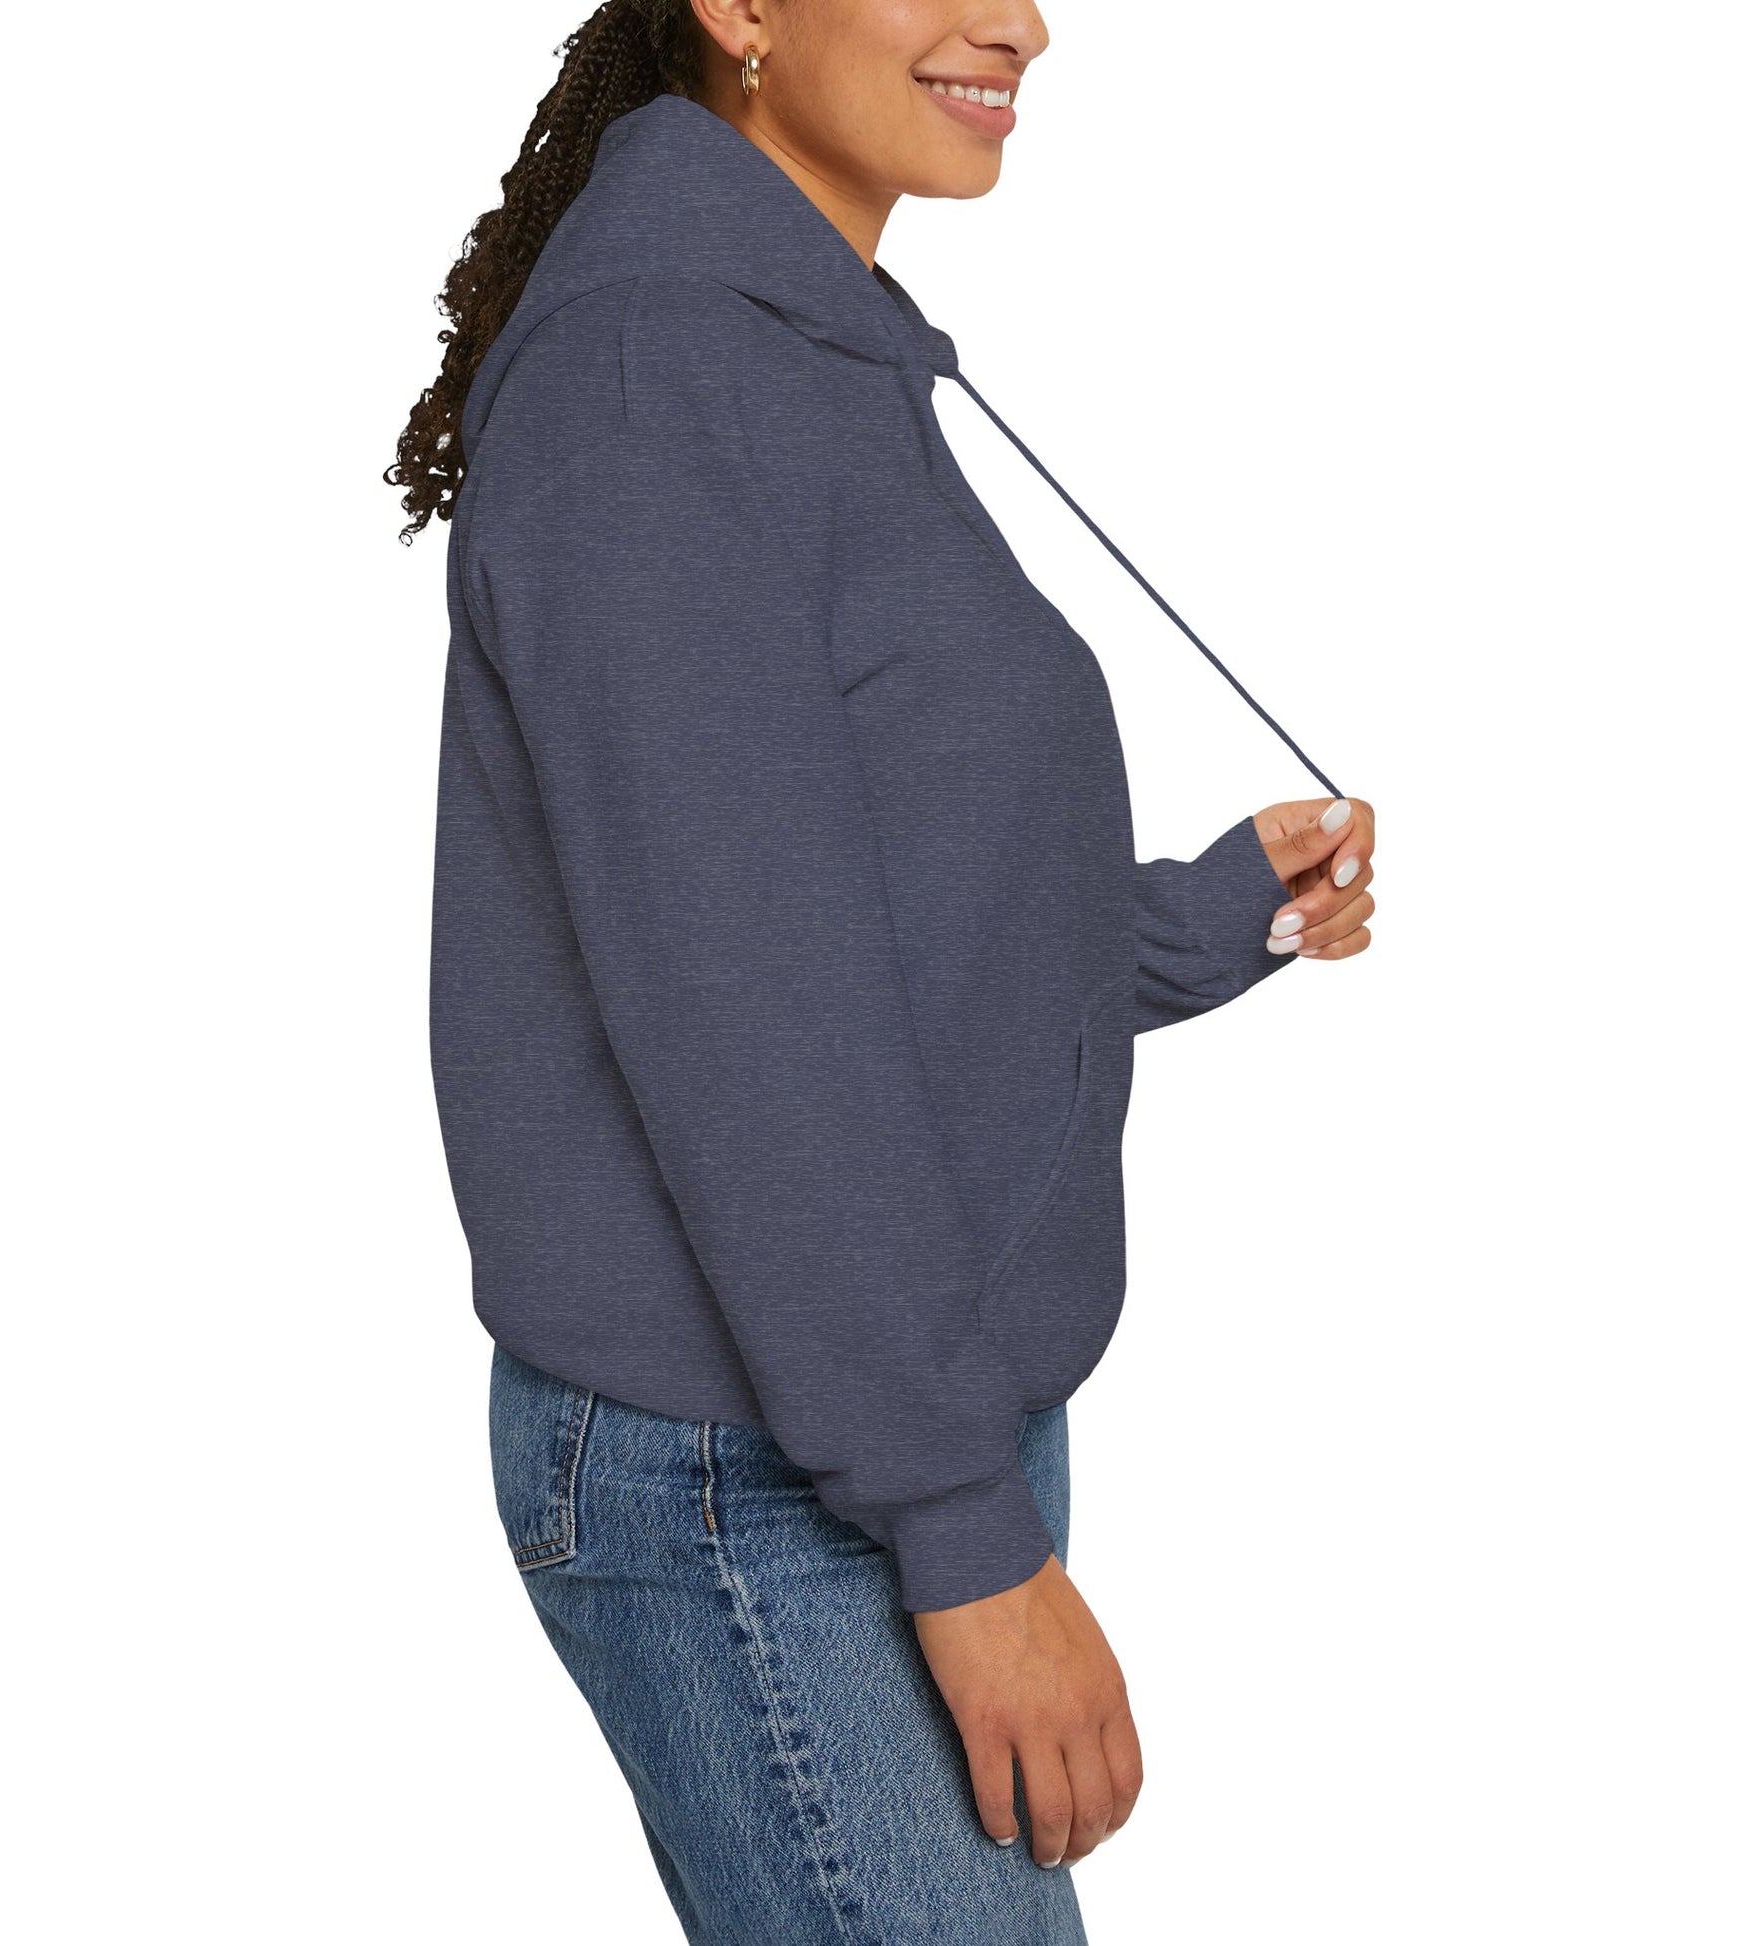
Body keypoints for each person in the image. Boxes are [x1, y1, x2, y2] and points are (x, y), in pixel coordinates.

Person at [388, 4, 1376, 1938]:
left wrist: (1204, 916)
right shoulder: (655, 372)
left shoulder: (790, 344)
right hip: (759, 1461)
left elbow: (848, 898)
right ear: (739, 8)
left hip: (873, 1403)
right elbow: (748, 1017)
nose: (1018, 22)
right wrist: (961, 1534)